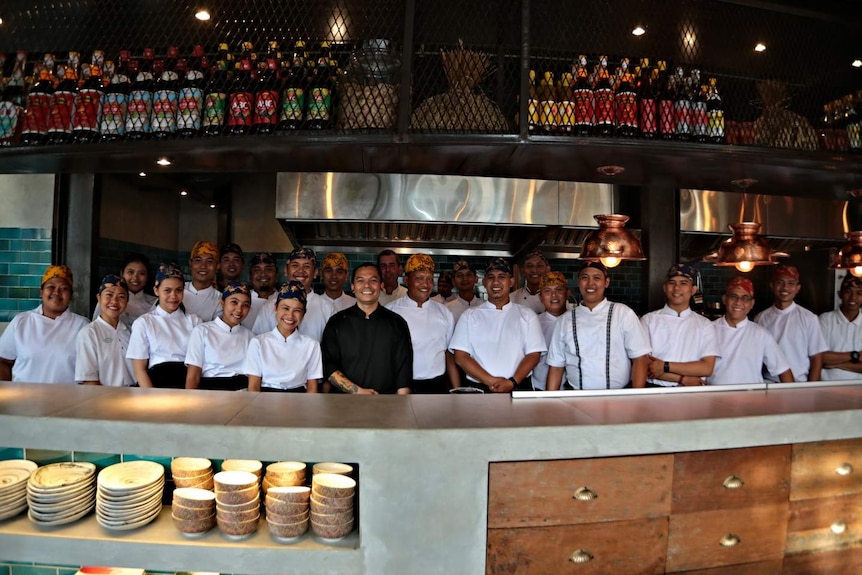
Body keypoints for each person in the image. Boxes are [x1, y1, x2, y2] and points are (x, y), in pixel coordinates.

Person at [546, 262, 650, 390]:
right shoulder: (564, 321)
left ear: (606, 282)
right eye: (585, 278)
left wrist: (636, 397)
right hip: (577, 398)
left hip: (619, 398)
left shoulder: (623, 313)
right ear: (578, 282)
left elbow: (640, 358)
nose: (590, 283)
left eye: (597, 278)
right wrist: (548, 402)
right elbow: (556, 366)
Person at [450, 258, 545, 393]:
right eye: (491, 277)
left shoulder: (527, 315)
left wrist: (512, 382)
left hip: (519, 386)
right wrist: (491, 381)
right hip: (480, 388)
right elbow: (461, 356)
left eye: (502, 277)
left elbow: (534, 354)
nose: (496, 282)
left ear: (511, 282)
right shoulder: (469, 315)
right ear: (484, 282)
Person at [321, 263, 413, 394]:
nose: (367, 285)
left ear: (381, 285)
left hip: (387, 404)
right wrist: (358, 391)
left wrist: (401, 408)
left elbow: (403, 373)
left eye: (373, 280)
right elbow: (328, 366)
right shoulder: (337, 322)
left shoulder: (397, 323)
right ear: (352, 286)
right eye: (360, 281)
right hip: (343, 405)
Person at [0, 265, 88, 383]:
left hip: (69, 399)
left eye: (64, 288)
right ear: (41, 292)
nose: (56, 292)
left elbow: (90, 370)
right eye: (51, 286)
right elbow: (3, 361)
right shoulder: (21, 321)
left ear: (71, 296)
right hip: (25, 398)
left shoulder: (82, 326)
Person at [387, 254, 458, 393]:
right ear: (406, 280)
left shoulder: (444, 313)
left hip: (437, 385)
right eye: (419, 278)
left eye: (429, 279)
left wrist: (456, 390)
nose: (425, 284)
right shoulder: (391, 312)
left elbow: (449, 354)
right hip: (401, 386)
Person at [641, 263, 719, 387]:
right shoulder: (648, 320)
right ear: (665, 288)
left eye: (683, 283)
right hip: (655, 391)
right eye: (672, 282)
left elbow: (707, 368)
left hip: (692, 393)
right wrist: (682, 379)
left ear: (693, 290)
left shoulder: (705, 325)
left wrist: (665, 366)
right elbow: (646, 367)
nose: (677, 288)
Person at [127, 263, 203, 388]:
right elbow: (139, 370)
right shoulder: (144, 322)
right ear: (156, 290)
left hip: (188, 382)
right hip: (156, 382)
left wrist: (189, 396)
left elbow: (197, 365)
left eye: (178, 290)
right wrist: (151, 397)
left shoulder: (195, 322)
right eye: (167, 290)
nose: (173, 296)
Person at [709, 277, 793, 385]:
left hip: (752, 397)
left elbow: (783, 370)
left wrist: (792, 399)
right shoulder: (709, 330)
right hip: (715, 397)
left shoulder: (761, 334)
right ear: (725, 299)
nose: (738, 302)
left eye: (745, 298)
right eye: (734, 296)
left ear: (752, 304)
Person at [246, 281, 322, 393]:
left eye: (297, 310)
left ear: (304, 313)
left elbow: (312, 387)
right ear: (275, 308)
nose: (290, 315)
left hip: (300, 401)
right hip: (265, 400)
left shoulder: (311, 345)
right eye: (285, 308)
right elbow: (253, 387)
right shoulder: (258, 343)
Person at [755, 265, 827, 382]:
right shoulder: (761, 318)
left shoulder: (809, 318)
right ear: (772, 286)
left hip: (799, 384)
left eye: (791, 283)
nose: (785, 287)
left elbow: (817, 357)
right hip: (769, 382)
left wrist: (812, 388)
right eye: (780, 282)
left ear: (798, 288)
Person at [253, 247, 335, 341]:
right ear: (286, 270)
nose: (300, 271)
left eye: (307, 266)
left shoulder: (327, 309)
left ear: (315, 272)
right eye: (295, 265)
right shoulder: (269, 307)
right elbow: (259, 341)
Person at [185, 282, 255, 391]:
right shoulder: (202, 331)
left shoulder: (250, 336)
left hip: (242, 392)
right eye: (234, 302)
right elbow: (193, 376)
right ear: (222, 303)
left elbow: (253, 377)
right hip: (211, 391)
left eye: (245, 305)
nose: (239, 310)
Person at [75, 275, 135, 386]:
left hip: (133, 398)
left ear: (127, 301)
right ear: (99, 298)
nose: (114, 301)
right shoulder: (89, 333)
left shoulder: (131, 332)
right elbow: (89, 380)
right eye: (109, 295)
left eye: (121, 296)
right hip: (104, 399)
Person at [92, 253, 156, 328]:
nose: (135, 278)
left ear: (147, 276)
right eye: (130, 272)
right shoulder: (107, 300)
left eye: (141, 273)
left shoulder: (154, 303)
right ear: (122, 273)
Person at [819, 274, 862, 381]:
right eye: (848, 292)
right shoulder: (825, 319)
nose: (853, 297)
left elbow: (827, 360)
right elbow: (821, 358)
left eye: (859, 293)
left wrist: (836, 364)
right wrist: (855, 356)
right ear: (840, 294)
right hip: (827, 387)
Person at [532, 271, 569, 390]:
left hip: (572, 390)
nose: (554, 295)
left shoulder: (576, 321)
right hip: (539, 389)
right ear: (541, 297)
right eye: (547, 291)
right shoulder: (533, 323)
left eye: (559, 290)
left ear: (567, 293)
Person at [183, 240, 221, 321]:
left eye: (210, 261)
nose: (203, 266)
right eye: (198, 260)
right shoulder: (177, 290)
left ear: (217, 266)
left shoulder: (220, 300)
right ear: (190, 264)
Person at [244, 252, 279, 329]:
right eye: (257, 270)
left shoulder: (283, 301)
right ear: (250, 276)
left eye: (268, 269)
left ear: (276, 275)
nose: (263, 274)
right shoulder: (242, 300)